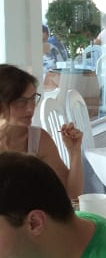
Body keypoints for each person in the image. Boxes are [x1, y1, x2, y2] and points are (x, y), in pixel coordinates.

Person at [0, 63, 83, 198]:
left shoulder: (38, 140)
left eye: (33, 98)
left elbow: (71, 196)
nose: (30, 108)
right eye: (21, 101)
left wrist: (74, 152)